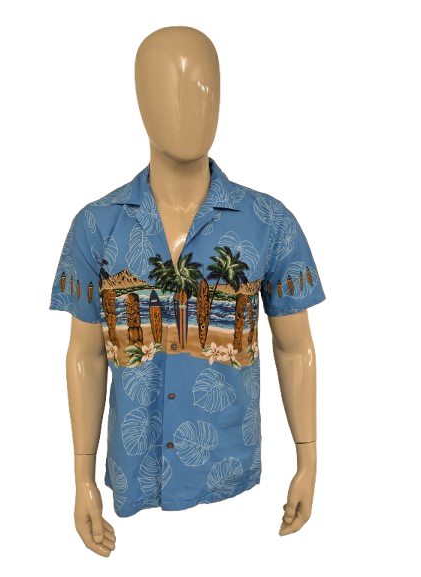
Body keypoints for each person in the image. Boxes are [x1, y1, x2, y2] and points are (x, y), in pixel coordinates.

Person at [49, 25, 326, 557]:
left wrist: (308, 460)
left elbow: (295, 348)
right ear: (140, 102)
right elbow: (84, 354)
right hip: (130, 491)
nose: (190, 106)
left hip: (234, 492)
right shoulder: (97, 225)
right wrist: (82, 477)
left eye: (204, 89)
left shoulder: (270, 223)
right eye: (168, 89)